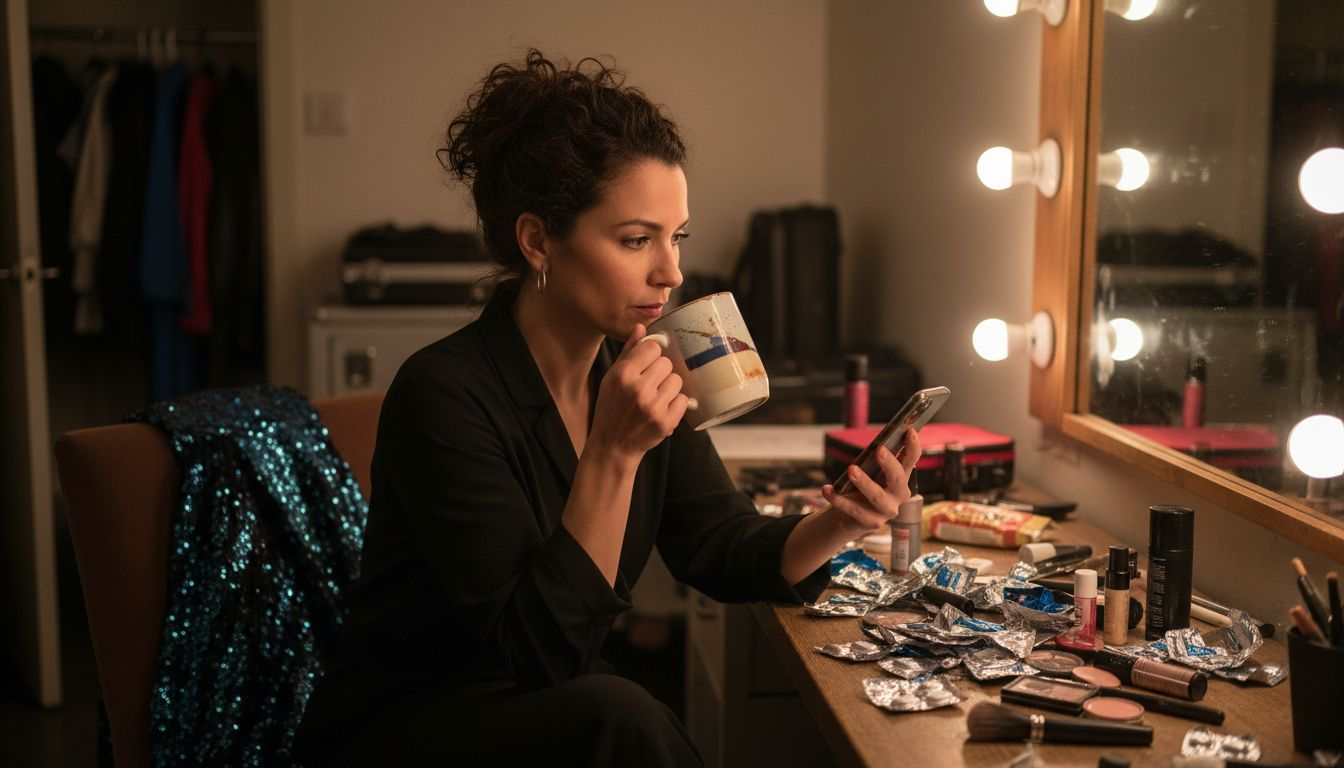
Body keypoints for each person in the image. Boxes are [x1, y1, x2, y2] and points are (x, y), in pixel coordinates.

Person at [294, 49, 921, 767]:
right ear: (538, 241)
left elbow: (719, 542)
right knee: (620, 711)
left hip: (552, 702)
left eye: (676, 237)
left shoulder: (629, 372)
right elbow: (536, 654)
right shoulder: (444, 395)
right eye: (636, 240)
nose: (672, 271)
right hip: (413, 722)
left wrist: (839, 522)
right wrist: (615, 453)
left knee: (622, 708)